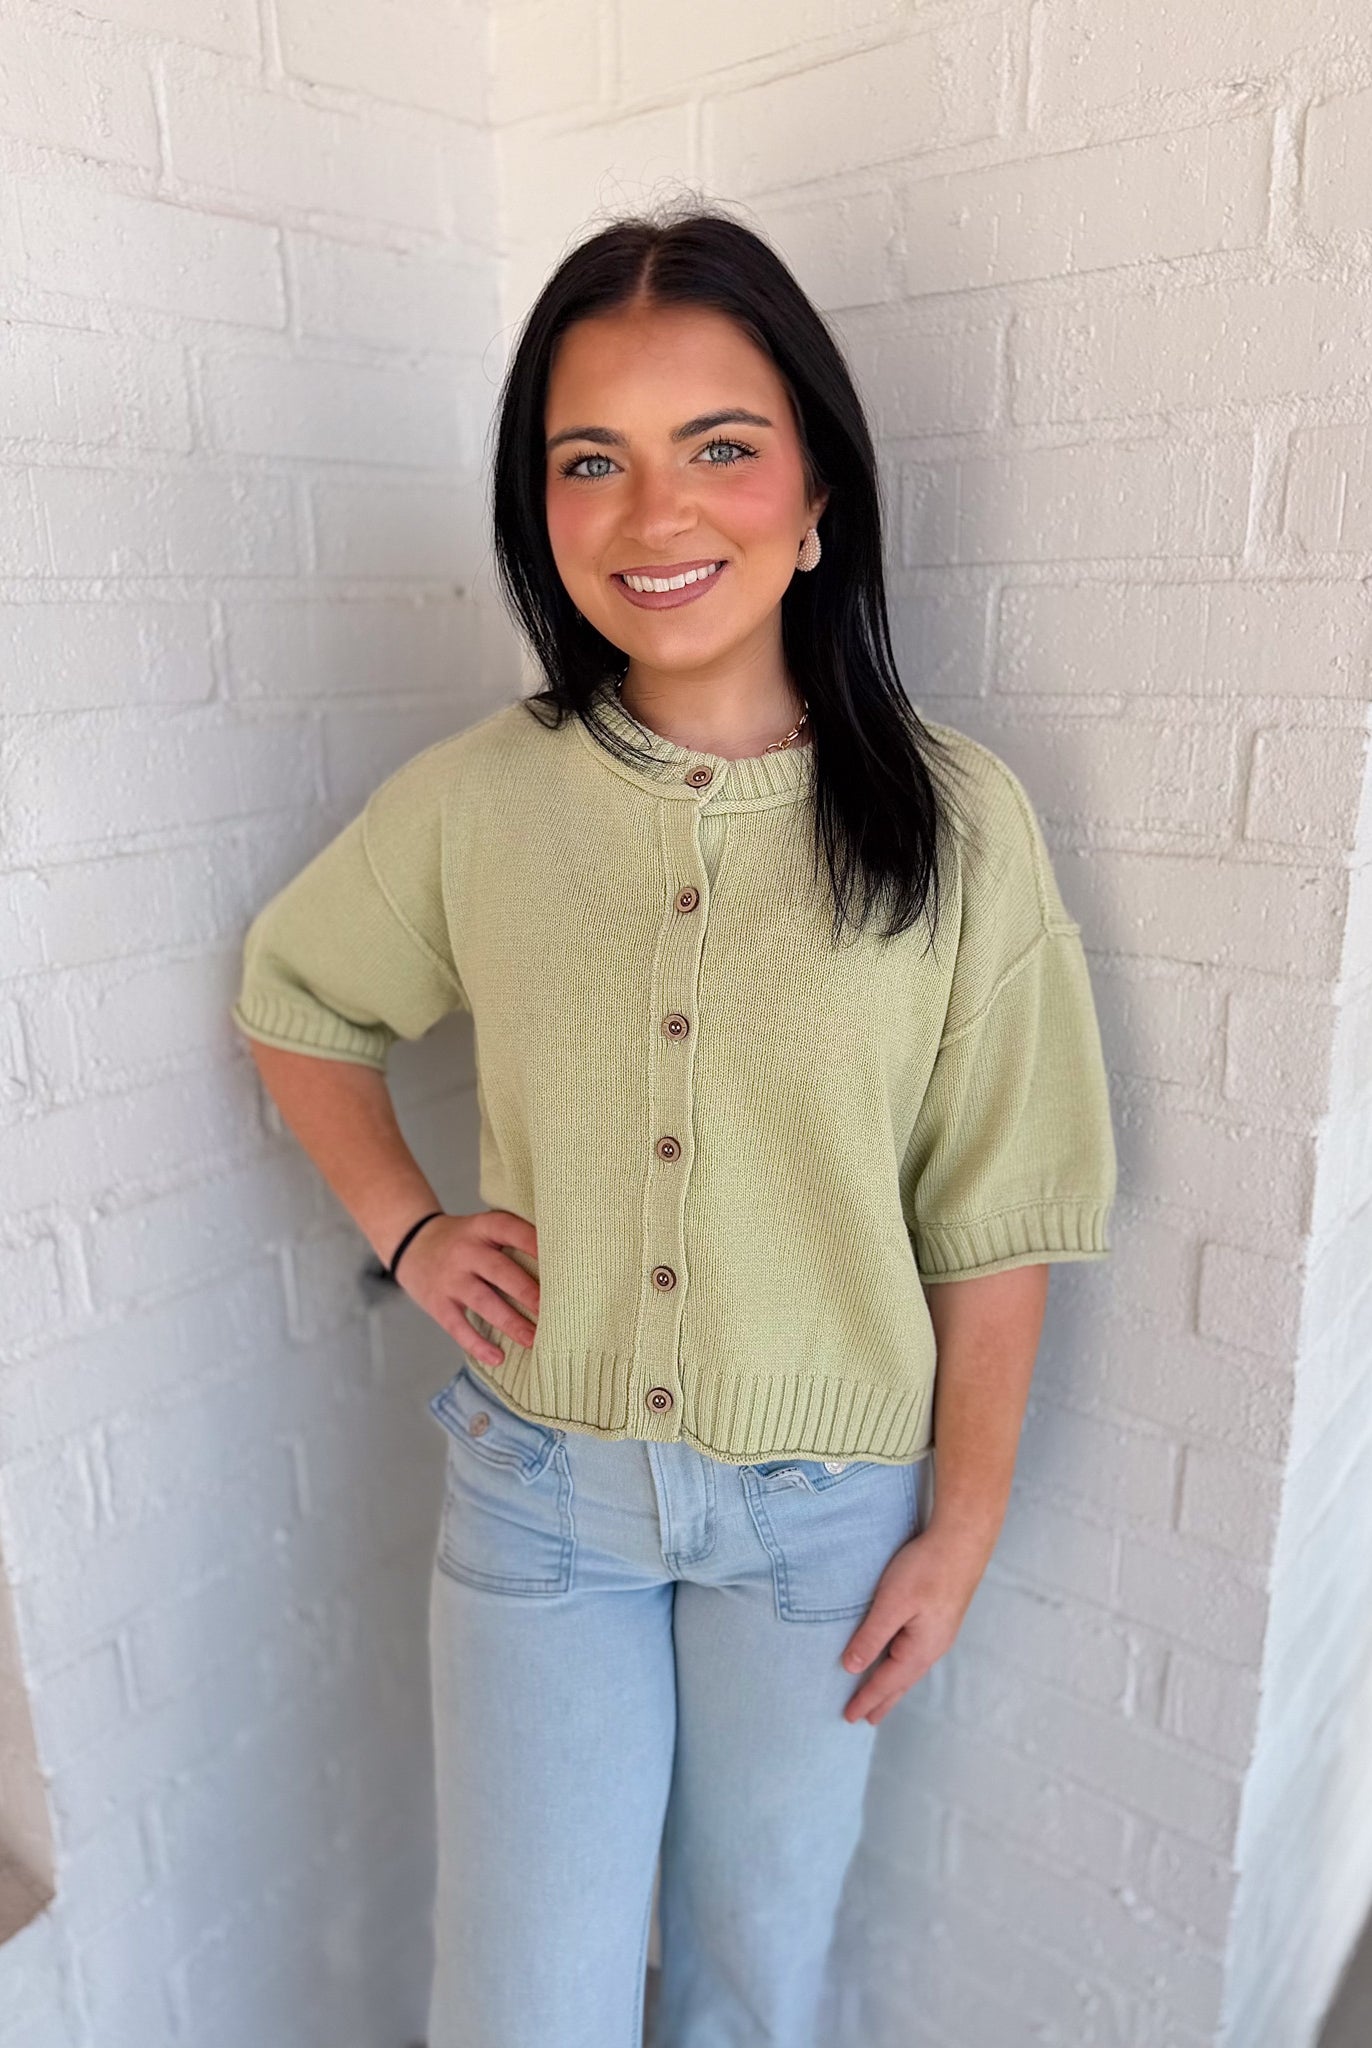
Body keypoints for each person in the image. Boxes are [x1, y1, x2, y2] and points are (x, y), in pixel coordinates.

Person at [230, 200, 1117, 2048]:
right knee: (521, 2001)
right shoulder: (482, 802)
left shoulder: (960, 823)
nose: (656, 514)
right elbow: (298, 996)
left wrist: (959, 1523)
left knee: (752, 1989)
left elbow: (1000, 1200)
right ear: (541, 514)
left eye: (720, 446)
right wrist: (407, 1222)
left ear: (815, 498)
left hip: (825, 1533)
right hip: (542, 1497)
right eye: (590, 461)